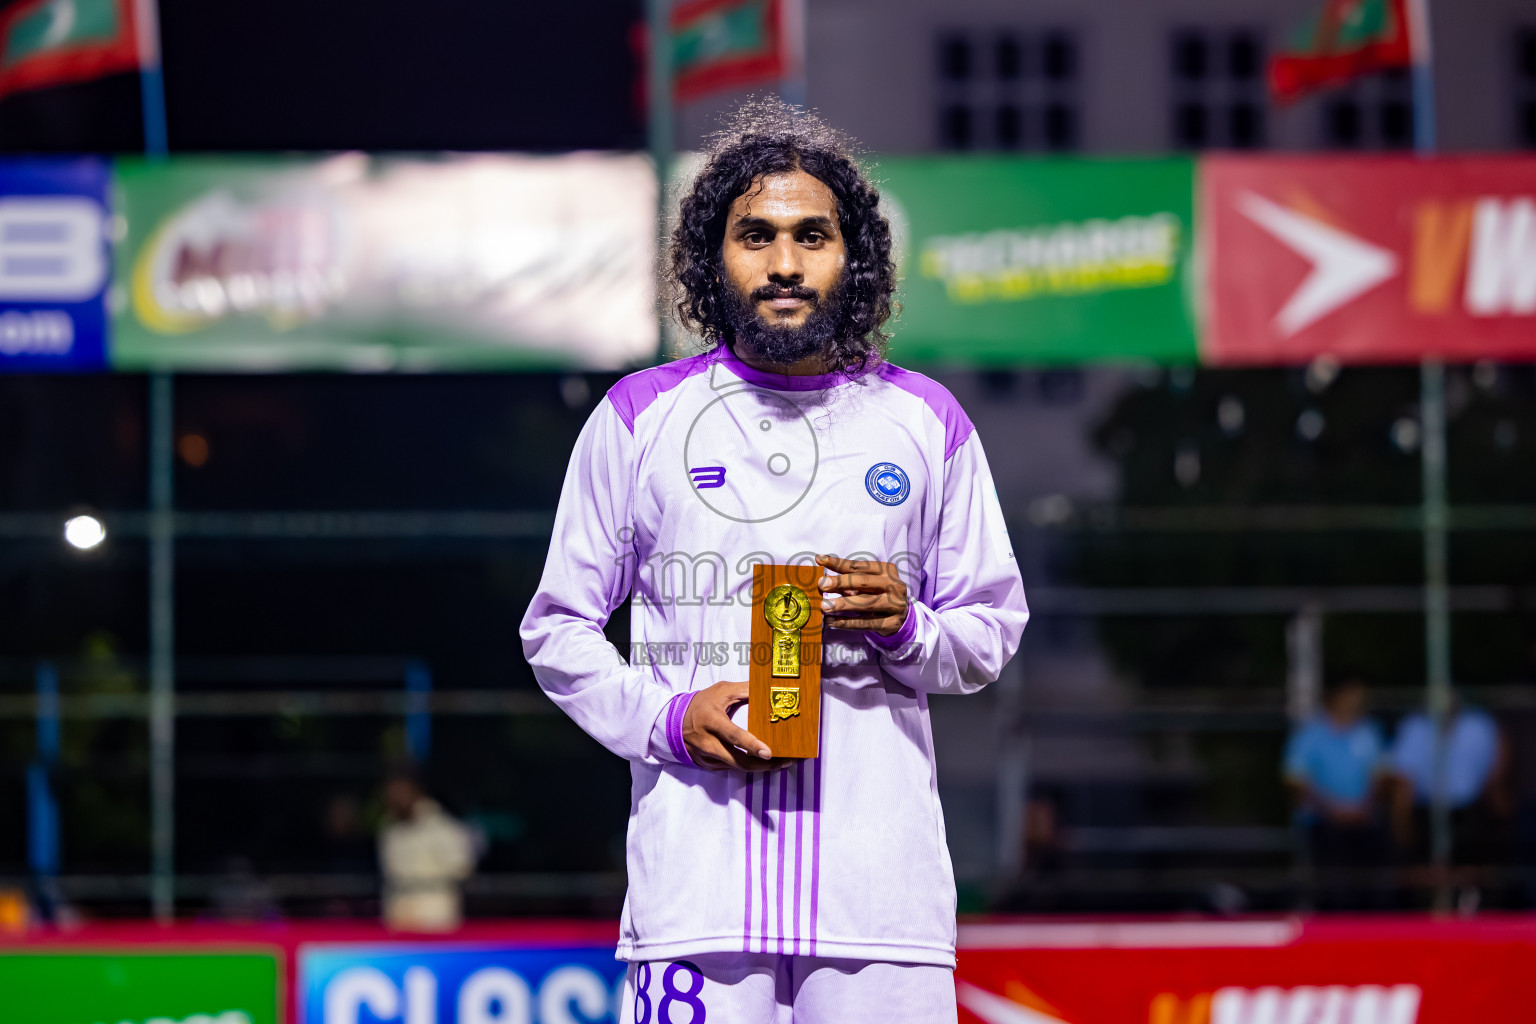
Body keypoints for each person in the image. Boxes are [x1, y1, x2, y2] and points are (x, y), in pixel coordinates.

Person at [520, 98, 1027, 1023]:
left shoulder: (924, 422)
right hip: (696, 899)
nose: (785, 263)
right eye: (756, 235)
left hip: (880, 909)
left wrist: (908, 626)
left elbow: (989, 632)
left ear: (853, 256)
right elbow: (557, 629)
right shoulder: (639, 418)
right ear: (714, 258)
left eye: (812, 236)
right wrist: (670, 719)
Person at [1282, 677, 1389, 906]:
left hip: (1364, 819)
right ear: (1334, 698)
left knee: (1379, 867)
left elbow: (1379, 777)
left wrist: (1362, 808)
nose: (1356, 702)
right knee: (1336, 882)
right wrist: (1333, 810)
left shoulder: (1368, 732)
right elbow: (1297, 783)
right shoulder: (1310, 734)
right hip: (1323, 820)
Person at [1388, 695, 1510, 866]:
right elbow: (1403, 782)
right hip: (1426, 811)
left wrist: (1497, 812)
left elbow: (1495, 773)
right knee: (1426, 867)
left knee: (1470, 868)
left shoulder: (1479, 725)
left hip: (1469, 812)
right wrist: (1402, 821)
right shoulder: (1414, 727)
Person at [378, 772, 477, 931]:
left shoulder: (443, 828)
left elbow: (462, 869)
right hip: (397, 913)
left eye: (401, 792)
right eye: (391, 793)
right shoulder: (389, 828)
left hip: (433, 915)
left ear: (416, 791)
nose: (395, 798)